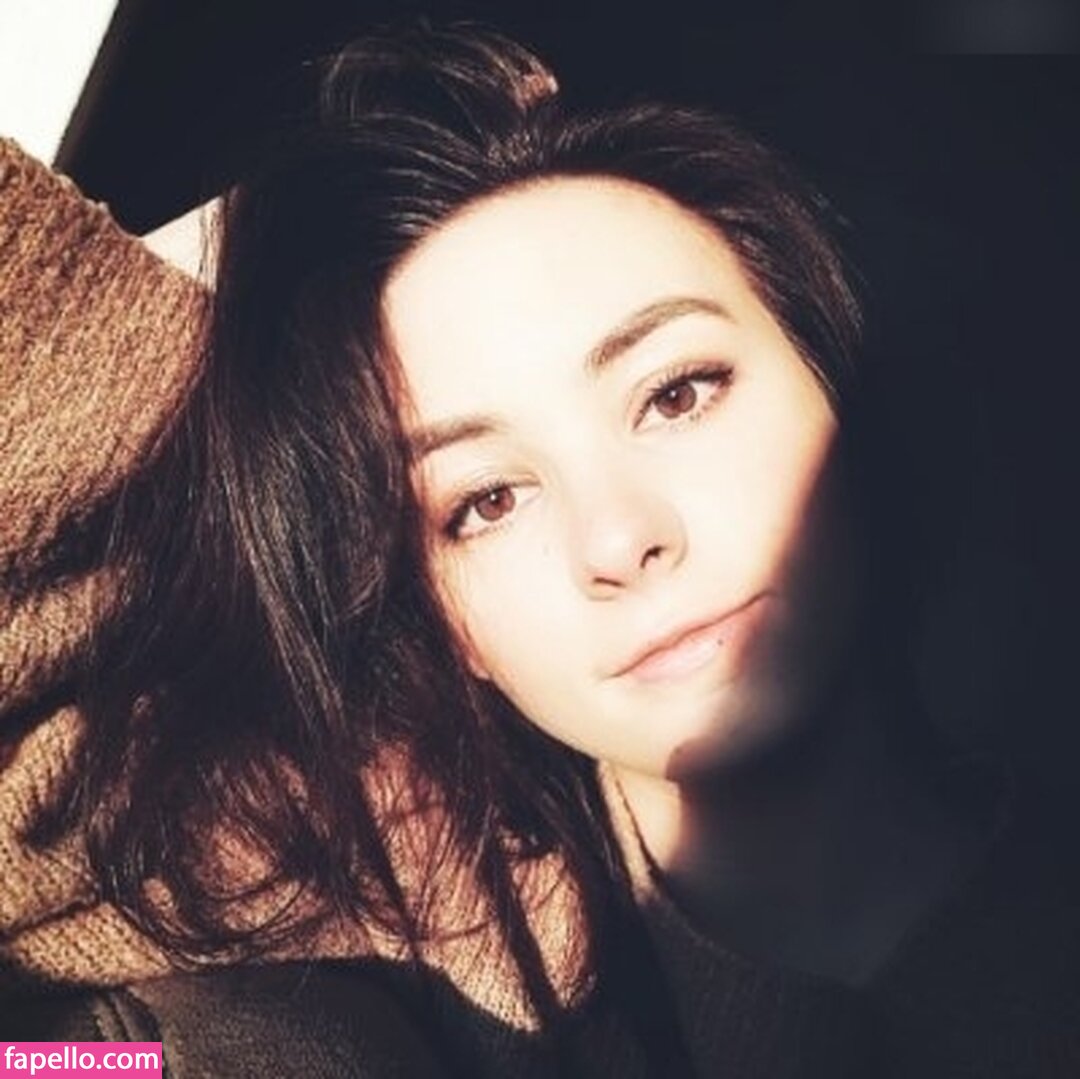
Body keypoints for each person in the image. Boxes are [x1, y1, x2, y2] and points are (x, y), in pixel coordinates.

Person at [2, 23, 1078, 1078]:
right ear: (449, 625)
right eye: (486, 500)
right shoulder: (361, 954)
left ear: (836, 381)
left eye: (675, 394)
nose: (616, 539)